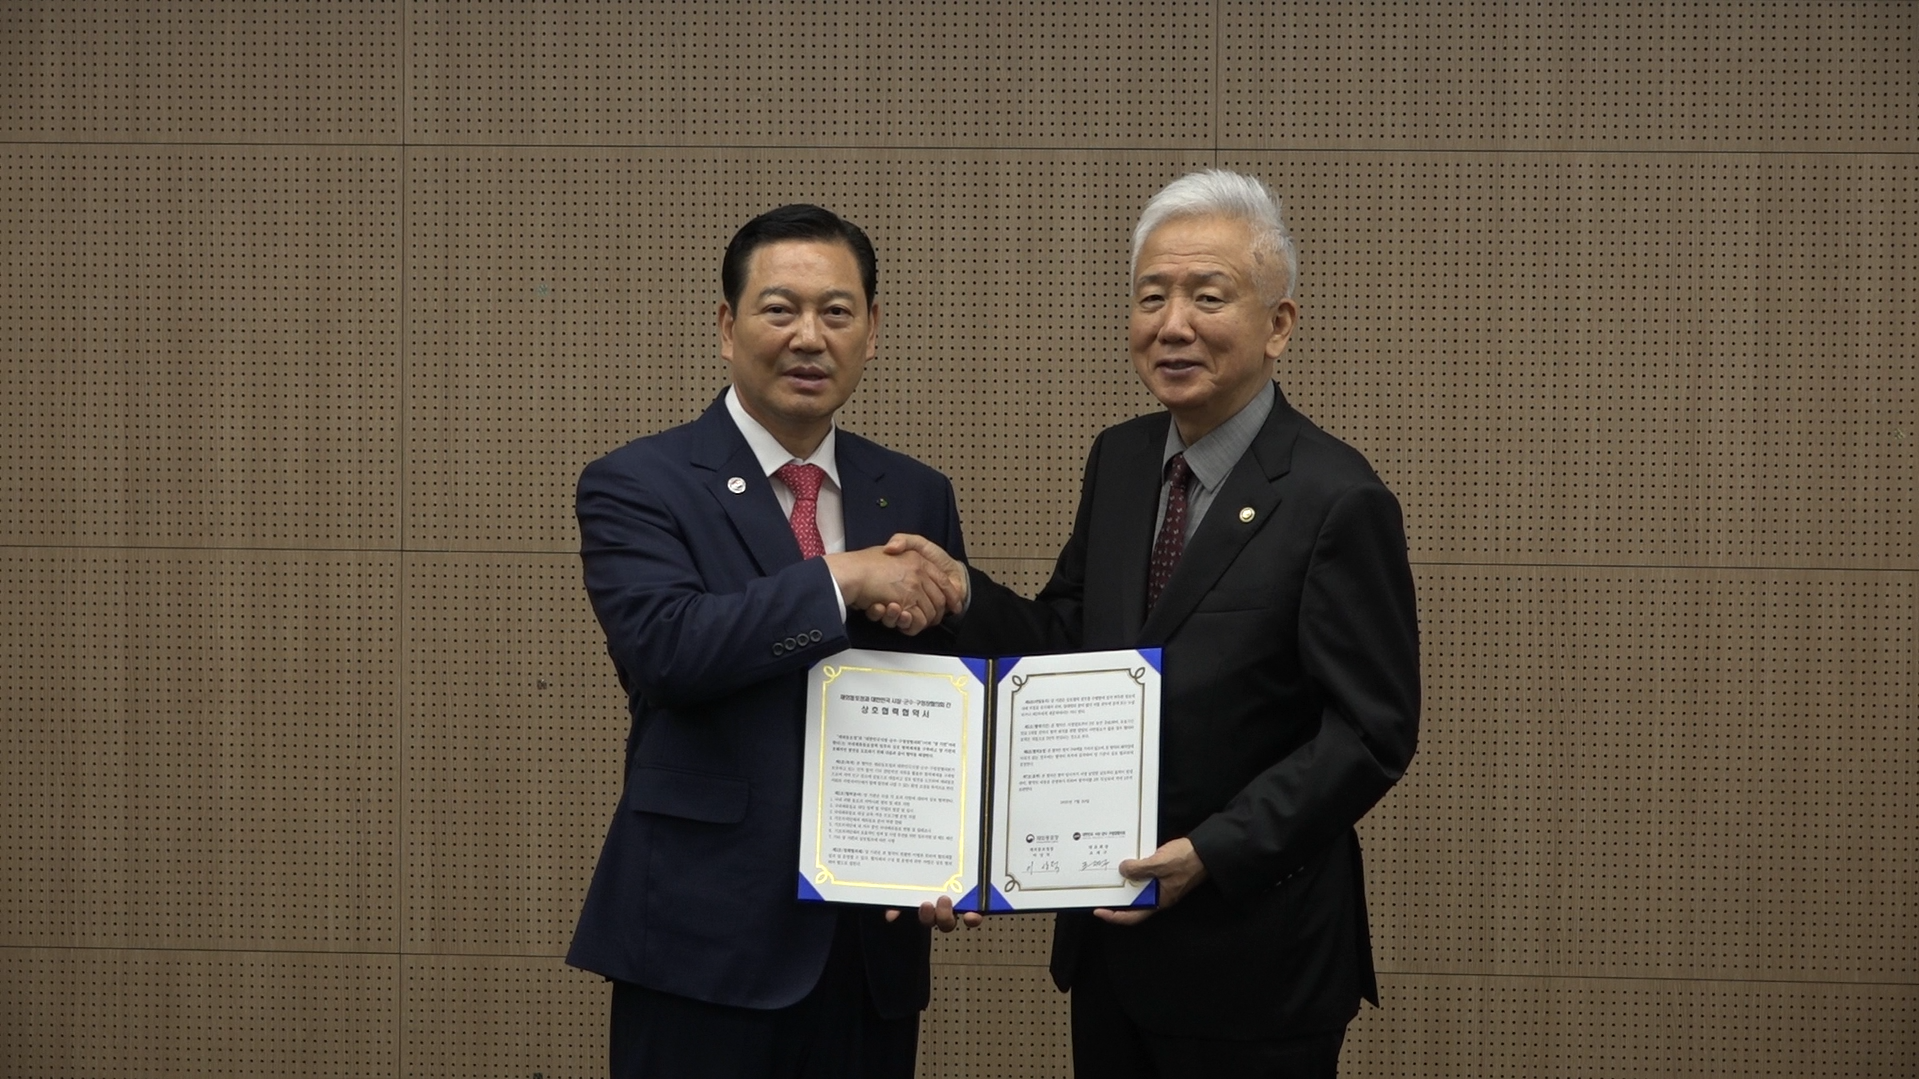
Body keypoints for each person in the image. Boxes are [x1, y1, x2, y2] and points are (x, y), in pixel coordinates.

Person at [892, 170, 1420, 1077]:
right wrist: (964, 596)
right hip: (1109, 950)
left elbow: (1371, 733)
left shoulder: (1338, 497)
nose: (1171, 323)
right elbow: (1070, 642)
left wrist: (1210, 852)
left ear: (1278, 324)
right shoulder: (1123, 457)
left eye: (1206, 296)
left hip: (1255, 961)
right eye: (1150, 296)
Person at [566, 204, 972, 1079]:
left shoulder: (914, 492)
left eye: (836, 311)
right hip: (701, 944)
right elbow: (668, 650)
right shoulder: (639, 481)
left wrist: (958, 855)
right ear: (726, 326)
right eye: (779, 308)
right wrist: (843, 579)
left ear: (871, 330)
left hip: (872, 946)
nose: (808, 337)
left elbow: (945, 703)